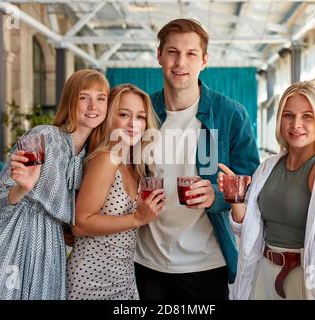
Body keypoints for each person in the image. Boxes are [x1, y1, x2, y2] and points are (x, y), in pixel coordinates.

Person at [134, 19, 260, 300]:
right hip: (146, 261)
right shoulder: (142, 112)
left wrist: (215, 194)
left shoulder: (230, 114)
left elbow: (252, 186)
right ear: (159, 56)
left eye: (191, 54)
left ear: (204, 60)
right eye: (172, 52)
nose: (181, 62)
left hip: (207, 263)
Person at [0, 69, 110, 300]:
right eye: (84, 97)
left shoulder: (92, 156)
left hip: (50, 248)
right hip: (12, 239)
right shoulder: (43, 136)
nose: (93, 105)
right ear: (70, 101)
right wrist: (21, 189)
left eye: (100, 98)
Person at [218, 81, 315, 300]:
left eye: (307, 116)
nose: (296, 124)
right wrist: (234, 197)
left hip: (305, 283)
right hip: (264, 274)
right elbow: (248, 230)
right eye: (289, 115)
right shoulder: (268, 167)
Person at [66, 84, 165, 300]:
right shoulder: (106, 158)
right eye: (124, 115)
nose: (133, 124)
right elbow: (80, 224)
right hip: (90, 281)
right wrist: (138, 217)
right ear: (110, 117)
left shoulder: (134, 164)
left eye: (140, 117)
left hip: (124, 279)